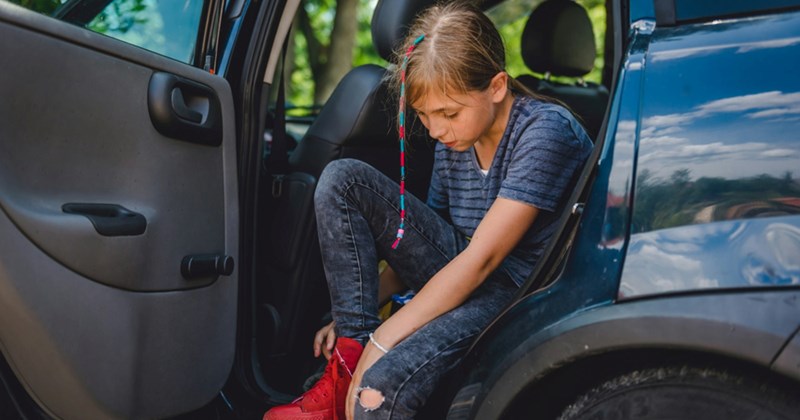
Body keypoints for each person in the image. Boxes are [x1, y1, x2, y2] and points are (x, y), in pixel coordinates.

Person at [264, 2, 593, 419]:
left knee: (377, 389)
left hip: (516, 290)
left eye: (448, 114)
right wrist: (353, 328)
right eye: (423, 115)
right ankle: (343, 366)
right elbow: (420, 245)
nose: (436, 130)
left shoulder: (545, 132)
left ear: (496, 87)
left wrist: (382, 341)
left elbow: (482, 260)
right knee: (343, 178)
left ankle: (357, 378)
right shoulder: (456, 139)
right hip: (465, 270)